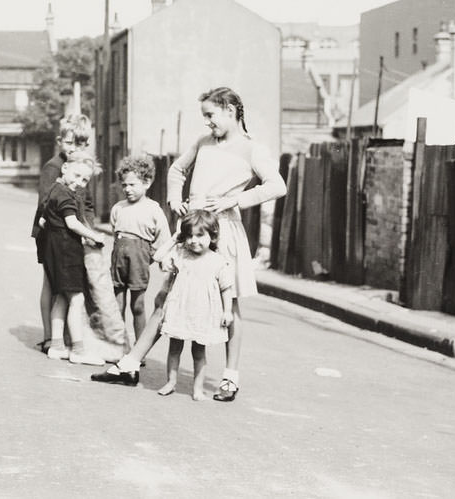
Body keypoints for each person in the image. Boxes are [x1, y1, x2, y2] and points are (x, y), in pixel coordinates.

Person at [92, 86, 286, 402]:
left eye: (211, 115)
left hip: (222, 231)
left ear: (230, 109)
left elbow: (277, 186)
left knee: (229, 302)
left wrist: (232, 201)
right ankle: (128, 365)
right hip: (192, 228)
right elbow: (177, 170)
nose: (208, 123)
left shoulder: (252, 149)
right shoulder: (203, 143)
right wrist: (173, 198)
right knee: (166, 297)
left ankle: (229, 379)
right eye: (204, 117)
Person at [155, 210, 233, 401]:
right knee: (174, 348)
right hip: (179, 309)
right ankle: (171, 382)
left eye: (199, 235)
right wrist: (175, 239)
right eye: (189, 235)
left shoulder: (217, 261)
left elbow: (226, 288)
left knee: (198, 352)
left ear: (212, 236)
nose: (193, 240)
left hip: (202, 313)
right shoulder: (181, 254)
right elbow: (158, 257)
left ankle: (197, 388)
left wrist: (228, 311)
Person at [32, 115, 93, 353]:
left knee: (64, 285)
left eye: (79, 144)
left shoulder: (82, 167)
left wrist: (90, 225)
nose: (74, 148)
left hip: (69, 232)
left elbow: (86, 203)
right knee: (51, 284)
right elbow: (46, 202)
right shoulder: (54, 167)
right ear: (60, 141)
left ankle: (63, 336)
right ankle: (50, 337)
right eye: (69, 143)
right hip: (51, 233)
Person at [39, 151, 107, 365]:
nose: (79, 182)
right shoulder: (66, 195)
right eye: (77, 176)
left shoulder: (54, 190)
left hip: (54, 249)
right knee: (77, 299)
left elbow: (42, 220)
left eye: (85, 179)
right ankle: (78, 350)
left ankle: (57, 346)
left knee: (61, 297)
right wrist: (94, 235)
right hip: (67, 251)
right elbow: (72, 224)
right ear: (65, 168)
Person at [110, 155, 172, 345]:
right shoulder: (118, 208)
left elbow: (163, 240)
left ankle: (139, 347)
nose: (127, 189)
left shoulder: (153, 209)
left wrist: (149, 257)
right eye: (124, 185)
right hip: (119, 260)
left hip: (139, 262)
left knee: (137, 305)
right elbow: (115, 233)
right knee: (117, 304)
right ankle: (118, 344)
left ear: (146, 182)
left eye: (132, 185)